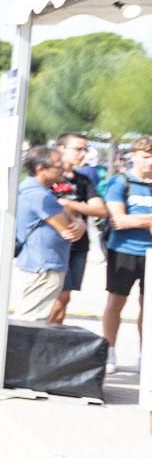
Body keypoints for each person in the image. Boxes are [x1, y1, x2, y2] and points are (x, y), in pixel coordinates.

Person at [13, 145, 82, 321]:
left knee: (30, 317)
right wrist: (79, 221)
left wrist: (72, 215)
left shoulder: (34, 191)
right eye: (58, 166)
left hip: (39, 263)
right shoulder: (39, 195)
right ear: (40, 169)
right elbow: (69, 230)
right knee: (31, 320)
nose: (63, 169)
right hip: (44, 266)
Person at [101, 136, 152, 371]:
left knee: (148, 306)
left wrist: (136, 220)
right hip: (123, 250)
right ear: (133, 156)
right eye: (145, 156)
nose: (149, 162)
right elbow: (119, 220)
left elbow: (129, 219)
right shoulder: (121, 182)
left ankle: (146, 355)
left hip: (149, 254)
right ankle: (109, 351)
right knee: (116, 302)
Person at [47, 132, 108, 325]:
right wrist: (75, 209)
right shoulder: (49, 179)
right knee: (53, 297)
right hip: (54, 244)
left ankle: (54, 341)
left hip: (78, 245)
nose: (83, 154)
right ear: (61, 149)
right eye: (78, 149)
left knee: (65, 298)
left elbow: (100, 209)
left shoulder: (83, 180)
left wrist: (70, 205)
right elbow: (46, 205)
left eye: (85, 149)